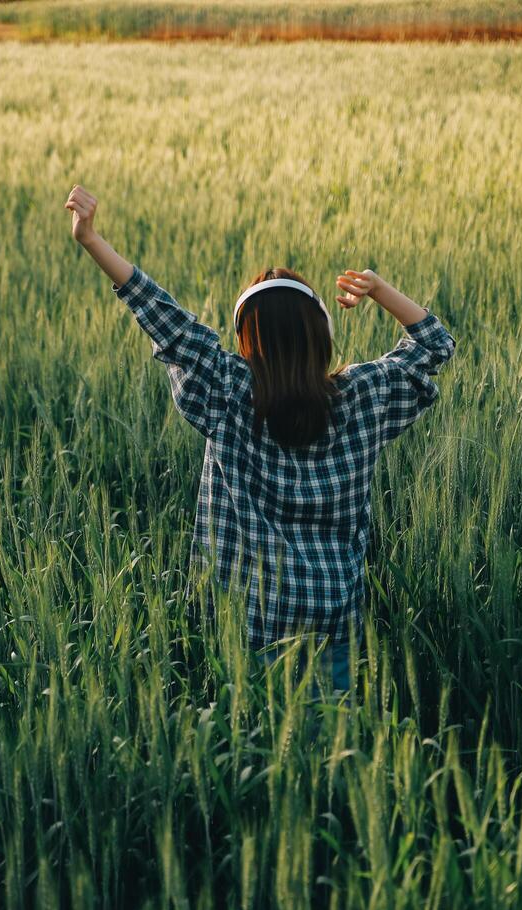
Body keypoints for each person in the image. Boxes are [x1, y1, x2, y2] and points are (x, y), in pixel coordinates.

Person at [64, 184, 456, 700]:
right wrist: (378, 290)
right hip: (334, 618)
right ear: (323, 336)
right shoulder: (362, 397)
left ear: (246, 340)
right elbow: (434, 344)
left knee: (251, 745)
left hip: (246, 621)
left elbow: (169, 323)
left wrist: (91, 239)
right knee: (332, 750)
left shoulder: (227, 390)